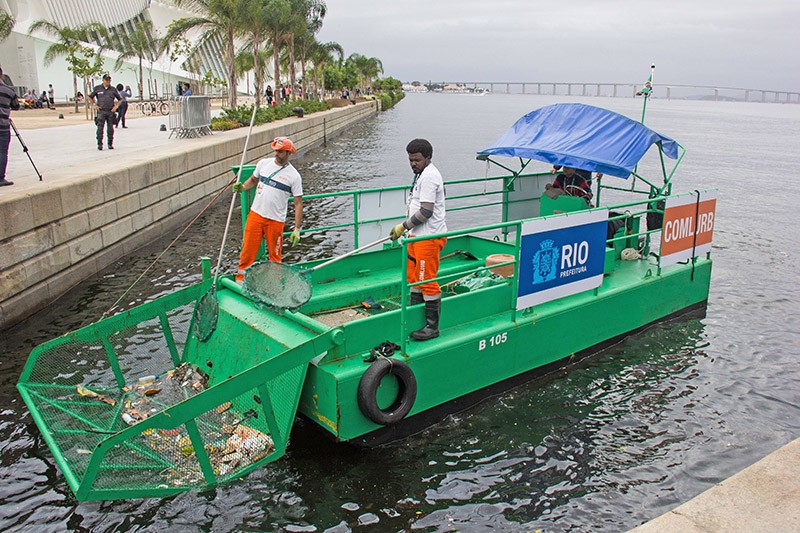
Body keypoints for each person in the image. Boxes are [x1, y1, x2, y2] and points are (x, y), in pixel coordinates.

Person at [389, 138, 448, 341]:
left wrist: (403, 226)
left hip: (429, 238)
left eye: (417, 160)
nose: (413, 163)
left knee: (426, 280)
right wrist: (407, 232)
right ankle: (416, 318)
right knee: (414, 278)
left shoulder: (430, 177)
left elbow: (426, 211)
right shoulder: (421, 174)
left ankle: (432, 327)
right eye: (410, 160)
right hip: (416, 237)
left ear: (428, 158)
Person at [232, 136, 303, 282]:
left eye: (281, 152)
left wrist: (297, 228)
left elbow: (298, 203)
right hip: (256, 215)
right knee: (247, 250)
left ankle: (274, 282)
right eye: (276, 150)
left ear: (289, 153)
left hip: (276, 220)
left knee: (275, 255)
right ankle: (241, 279)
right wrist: (242, 187)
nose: (277, 154)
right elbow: (253, 180)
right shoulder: (263, 164)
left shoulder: (294, 176)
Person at [89, 74, 121, 150]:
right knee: (100, 128)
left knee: (110, 129)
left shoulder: (113, 89)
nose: (108, 82)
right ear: (103, 80)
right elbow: (90, 97)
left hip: (110, 111)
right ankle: (100, 144)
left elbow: (120, 99)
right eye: (106, 80)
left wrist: (115, 107)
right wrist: (94, 105)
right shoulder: (97, 88)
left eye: (109, 80)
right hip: (101, 111)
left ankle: (110, 143)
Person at [0, 67, 21, 187]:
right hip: (3, 126)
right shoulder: (8, 90)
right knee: (2, 151)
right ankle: (0, 177)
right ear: (1, 75)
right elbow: (16, 106)